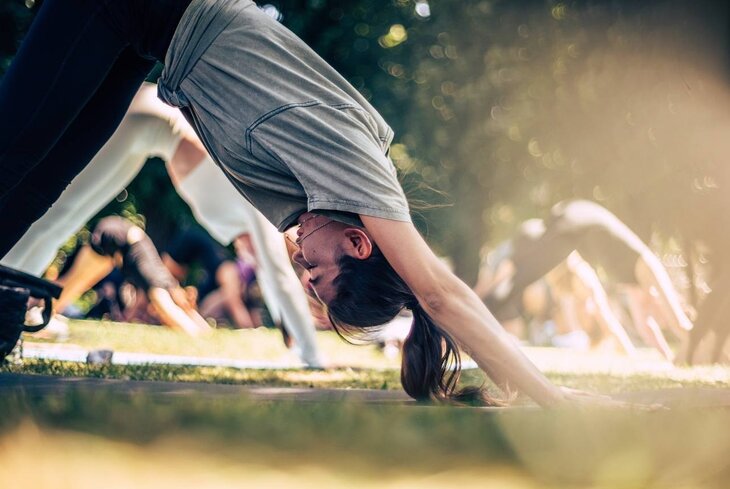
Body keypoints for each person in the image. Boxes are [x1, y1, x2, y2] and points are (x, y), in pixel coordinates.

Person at [1, 0, 610, 405]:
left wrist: (501, 383)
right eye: (318, 273)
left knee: (35, 180)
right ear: (358, 242)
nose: (301, 270)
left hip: (145, 36)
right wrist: (553, 397)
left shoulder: (315, 196)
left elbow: (428, 309)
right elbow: (438, 294)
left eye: (307, 283)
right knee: (13, 153)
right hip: (144, 7)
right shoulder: (358, 179)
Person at [2, 83, 324, 367]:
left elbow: (272, 277)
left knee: (63, 218)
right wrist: (312, 356)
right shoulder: (265, 215)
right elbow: (279, 277)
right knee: (61, 214)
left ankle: (15, 300)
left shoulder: (246, 225)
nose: (252, 260)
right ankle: (9, 296)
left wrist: (294, 343)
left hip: (147, 128)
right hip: (146, 117)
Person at [475, 200, 693, 361]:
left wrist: (667, 358)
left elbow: (643, 327)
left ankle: (474, 314)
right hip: (573, 216)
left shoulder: (634, 289)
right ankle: (474, 312)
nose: (654, 309)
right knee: (519, 279)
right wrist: (694, 351)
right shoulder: (649, 267)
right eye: (658, 308)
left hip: (568, 221)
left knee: (520, 276)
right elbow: (679, 323)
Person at [55, 216, 211, 336]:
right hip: (115, 233)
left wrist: (204, 330)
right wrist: (195, 334)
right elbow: (167, 309)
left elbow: (185, 308)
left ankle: (45, 310)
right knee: (72, 284)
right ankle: (39, 308)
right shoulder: (160, 282)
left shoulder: (165, 279)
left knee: (73, 284)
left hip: (119, 233)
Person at [163, 227, 258, 329]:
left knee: (227, 300)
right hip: (218, 265)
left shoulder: (227, 272)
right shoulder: (227, 270)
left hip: (221, 268)